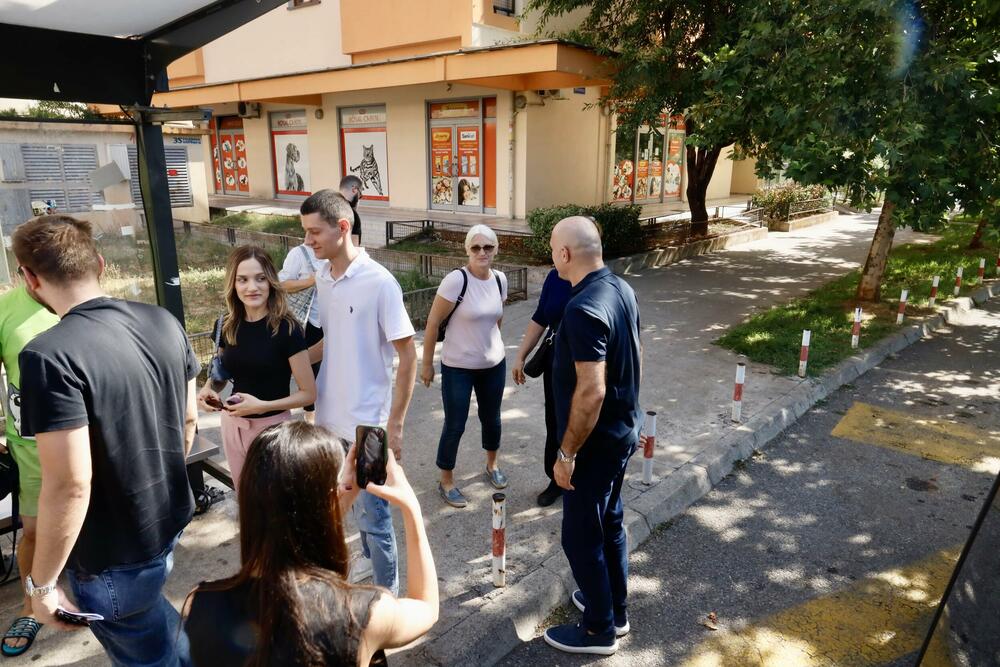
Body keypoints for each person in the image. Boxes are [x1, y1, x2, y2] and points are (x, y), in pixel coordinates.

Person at [13, 215, 200, 665]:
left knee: (147, 650)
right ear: (98, 262)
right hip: (165, 523)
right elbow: (189, 419)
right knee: (152, 626)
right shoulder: (162, 321)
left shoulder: (47, 355)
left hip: (109, 555)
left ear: (29, 279)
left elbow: (69, 483)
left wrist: (41, 586)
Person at [184, 421, 438, 666]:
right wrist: (411, 507)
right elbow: (425, 607)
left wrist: (334, 503)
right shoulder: (362, 615)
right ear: (326, 502)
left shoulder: (201, 602)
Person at [301, 189, 417, 596]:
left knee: (376, 517)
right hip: (330, 418)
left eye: (315, 232)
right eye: (306, 233)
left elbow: (408, 355)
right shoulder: (324, 278)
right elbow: (332, 341)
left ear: (343, 227)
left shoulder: (380, 283)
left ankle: (389, 602)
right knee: (347, 508)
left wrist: (395, 424)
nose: (308, 241)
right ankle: (368, 562)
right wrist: (287, 363)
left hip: (369, 426)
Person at [543, 216, 642, 656]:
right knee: (610, 522)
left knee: (580, 536)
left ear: (564, 254)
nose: (551, 255)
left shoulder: (582, 308)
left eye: (551, 248)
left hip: (594, 445)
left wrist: (566, 453)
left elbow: (591, 390)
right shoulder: (621, 289)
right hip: (621, 434)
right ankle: (614, 608)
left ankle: (599, 629)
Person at [197, 245, 316, 492]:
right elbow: (221, 373)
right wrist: (209, 389)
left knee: (274, 506)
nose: (252, 287)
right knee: (247, 503)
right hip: (231, 425)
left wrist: (262, 406)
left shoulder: (287, 328)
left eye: (260, 278)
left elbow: (309, 393)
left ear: (271, 281)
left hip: (273, 430)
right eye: (243, 280)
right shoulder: (225, 325)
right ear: (233, 283)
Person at [421, 224, 509, 508]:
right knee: (455, 423)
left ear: (496, 249)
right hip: (458, 366)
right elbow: (433, 323)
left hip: (493, 364)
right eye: (476, 247)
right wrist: (427, 365)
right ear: (467, 250)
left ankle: (491, 465)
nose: (482, 252)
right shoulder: (456, 281)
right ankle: (446, 479)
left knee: (492, 418)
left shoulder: (499, 279)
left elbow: (497, 318)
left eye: (488, 247)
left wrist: (494, 344)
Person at [0, 283, 58, 657]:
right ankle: (31, 606)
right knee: (35, 532)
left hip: (92, 441)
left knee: (99, 522)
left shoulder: (88, 300)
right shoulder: (6, 308)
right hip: (31, 446)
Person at [512, 267, 572, 507]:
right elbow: (540, 317)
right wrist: (521, 355)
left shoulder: (596, 283)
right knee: (555, 420)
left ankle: (581, 480)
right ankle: (556, 479)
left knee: (582, 421)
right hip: (556, 362)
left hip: (587, 365)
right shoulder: (555, 276)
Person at [278, 241, 323, 423]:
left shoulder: (335, 253)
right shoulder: (299, 253)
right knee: (309, 369)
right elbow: (281, 284)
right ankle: (310, 415)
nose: (312, 236)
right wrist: (310, 281)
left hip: (331, 319)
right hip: (307, 320)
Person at [339, 174, 364, 246]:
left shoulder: (326, 207)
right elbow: (354, 247)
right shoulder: (352, 215)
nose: (359, 197)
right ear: (354, 190)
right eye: (360, 194)